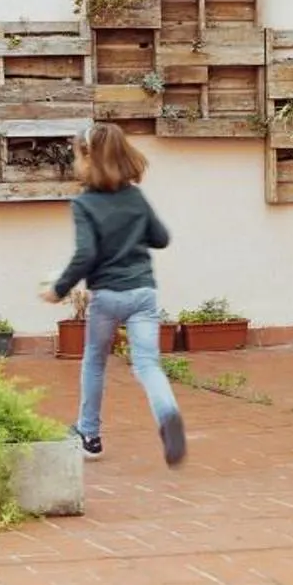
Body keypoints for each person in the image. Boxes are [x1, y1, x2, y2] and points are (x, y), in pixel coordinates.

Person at [38, 125, 186, 467]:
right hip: (143, 294)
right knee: (147, 363)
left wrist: (59, 289)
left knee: (95, 361)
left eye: (77, 156)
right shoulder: (135, 197)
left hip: (107, 296)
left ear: (90, 159)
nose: (75, 163)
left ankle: (89, 435)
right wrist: (132, 232)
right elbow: (161, 238)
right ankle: (168, 415)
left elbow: (86, 254)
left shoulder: (84, 204)